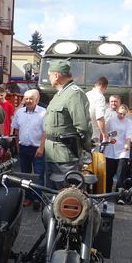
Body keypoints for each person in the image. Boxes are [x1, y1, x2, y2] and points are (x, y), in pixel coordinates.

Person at [45, 60, 92, 190]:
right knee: (51, 193)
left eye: (49, 75)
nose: (48, 78)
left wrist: (85, 147)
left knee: (67, 196)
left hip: (66, 154)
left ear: (56, 75)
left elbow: (83, 127)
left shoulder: (74, 93)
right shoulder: (60, 94)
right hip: (52, 154)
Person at [11, 89, 46, 210]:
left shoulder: (43, 112)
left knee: (38, 175)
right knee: (25, 175)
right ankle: (28, 198)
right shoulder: (20, 112)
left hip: (37, 148)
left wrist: (41, 147)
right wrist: (17, 147)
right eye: (26, 98)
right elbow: (16, 130)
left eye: (31, 98)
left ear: (37, 99)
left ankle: (37, 199)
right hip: (23, 148)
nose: (28, 100)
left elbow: (45, 132)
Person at [104, 104, 132, 201]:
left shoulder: (128, 122)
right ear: (117, 112)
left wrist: (127, 144)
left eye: (124, 114)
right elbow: (105, 133)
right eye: (120, 114)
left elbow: (129, 135)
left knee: (121, 174)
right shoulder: (111, 121)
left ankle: (119, 196)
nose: (122, 116)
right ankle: (107, 194)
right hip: (111, 149)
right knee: (109, 174)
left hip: (123, 150)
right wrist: (106, 140)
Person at [85, 76, 108, 141]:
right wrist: (104, 134)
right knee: (94, 151)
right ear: (105, 87)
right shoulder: (100, 97)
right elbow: (99, 117)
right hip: (93, 134)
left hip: (81, 132)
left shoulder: (86, 94)